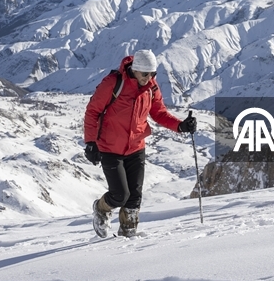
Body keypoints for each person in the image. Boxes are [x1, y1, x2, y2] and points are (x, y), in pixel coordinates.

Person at [84, 50, 196, 237]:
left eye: (153, 74)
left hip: (136, 147)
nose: (149, 78)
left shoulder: (151, 88)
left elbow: (159, 113)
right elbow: (92, 112)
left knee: (134, 197)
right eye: (145, 74)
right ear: (135, 70)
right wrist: (90, 142)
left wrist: (181, 126)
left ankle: (128, 235)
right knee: (120, 195)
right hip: (110, 147)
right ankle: (101, 208)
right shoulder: (113, 83)